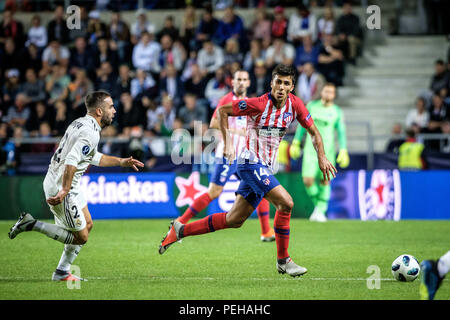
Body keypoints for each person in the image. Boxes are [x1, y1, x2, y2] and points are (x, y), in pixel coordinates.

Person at [159, 64, 337, 277]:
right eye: (278, 82)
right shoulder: (258, 104)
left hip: (264, 167)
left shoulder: (296, 105)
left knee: (233, 220)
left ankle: (180, 230)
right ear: (271, 83)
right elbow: (223, 112)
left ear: (292, 87)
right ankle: (283, 260)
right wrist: (227, 143)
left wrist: (322, 156)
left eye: (286, 83)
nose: (281, 86)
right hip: (249, 162)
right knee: (286, 203)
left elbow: (315, 133)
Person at [8, 91, 144, 281]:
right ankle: (31, 224)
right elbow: (72, 159)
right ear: (99, 111)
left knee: (88, 224)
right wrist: (64, 189)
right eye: (111, 106)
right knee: (81, 237)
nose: (114, 110)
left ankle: (62, 271)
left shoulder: (80, 123)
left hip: (67, 182)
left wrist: (121, 161)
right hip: (62, 185)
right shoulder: (90, 132)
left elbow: (91, 156)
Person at [176, 70, 275, 242]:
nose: (242, 82)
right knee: (214, 191)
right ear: (233, 82)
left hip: (245, 155)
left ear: (249, 82)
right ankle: (179, 222)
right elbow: (214, 123)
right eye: (238, 79)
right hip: (227, 154)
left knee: (261, 188)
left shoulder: (251, 102)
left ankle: (266, 231)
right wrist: (237, 131)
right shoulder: (226, 100)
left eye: (245, 79)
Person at [290, 83, 348, 222]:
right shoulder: (311, 106)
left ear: (334, 95)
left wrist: (344, 149)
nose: (328, 94)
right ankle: (319, 207)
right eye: (326, 91)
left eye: (331, 92)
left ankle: (320, 211)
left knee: (325, 181)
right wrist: (296, 142)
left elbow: (341, 132)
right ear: (321, 92)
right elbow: (302, 125)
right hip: (311, 150)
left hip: (328, 151)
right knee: (308, 180)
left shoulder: (337, 111)